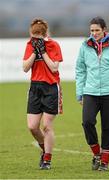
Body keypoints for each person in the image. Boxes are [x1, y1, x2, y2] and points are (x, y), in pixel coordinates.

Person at [75, 17, 109, 171]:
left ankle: (105, 162)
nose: (94, 33)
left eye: (97, 30)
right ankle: (97, 153)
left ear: (104, 30)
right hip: (90, 92)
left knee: (108, 127)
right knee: (87, 122)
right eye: (92, 30)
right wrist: (80, 93)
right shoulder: (85, 46)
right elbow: (80, 70)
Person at [23, 18, 63, 170]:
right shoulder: (29, 45)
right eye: (34, 34)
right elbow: (25, 68)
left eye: (39, 34)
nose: (36, 37)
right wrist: (34, 51)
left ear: (44, 33)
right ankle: (43, 149)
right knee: (33, 127)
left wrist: (44, 51)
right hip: (35, 88)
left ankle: (47, 159)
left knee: (46, 126)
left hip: (51, 87)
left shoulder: (54, 45)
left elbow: (54, 68)